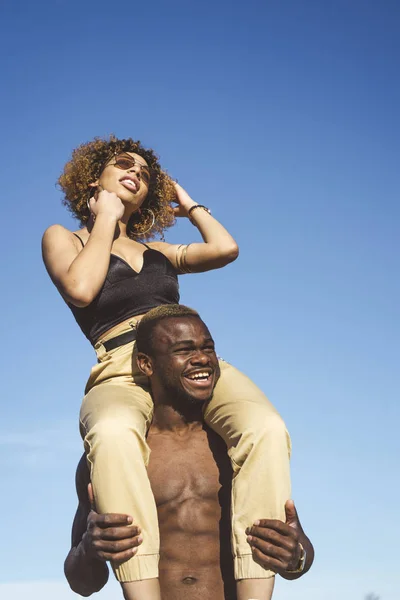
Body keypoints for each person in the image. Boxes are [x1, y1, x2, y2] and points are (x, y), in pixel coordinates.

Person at [42, 136, 292, 600]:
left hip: (187, 357)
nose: (135, 170)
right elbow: (80, 288)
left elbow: (225, 248)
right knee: (114, 432)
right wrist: (106, 219)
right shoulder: (66, 238)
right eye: (121, 164)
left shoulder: (158, 250)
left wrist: (186, 202)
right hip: (120, 362)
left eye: (145, 172)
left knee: (267, 427)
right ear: (93, 177)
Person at [64, 305, 314, 600]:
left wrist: (295, 554)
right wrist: (90, 549)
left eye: (208, 348)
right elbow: (83, 584)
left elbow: (297, 555)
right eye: (184, 350)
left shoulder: (238, 445)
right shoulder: (118, 454)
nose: (202, 358)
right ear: (146, 364)